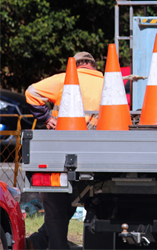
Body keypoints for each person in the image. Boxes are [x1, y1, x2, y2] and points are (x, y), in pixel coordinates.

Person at [25, 52, 104, 250]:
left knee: (56, 206)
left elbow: (31, 92)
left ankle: (54, 245)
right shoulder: (109, 82)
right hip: (99, 152)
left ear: (74, 66)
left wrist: (46, 118)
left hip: (63, 149)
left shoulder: (65, 79)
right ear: (93, 66)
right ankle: (39, 241)